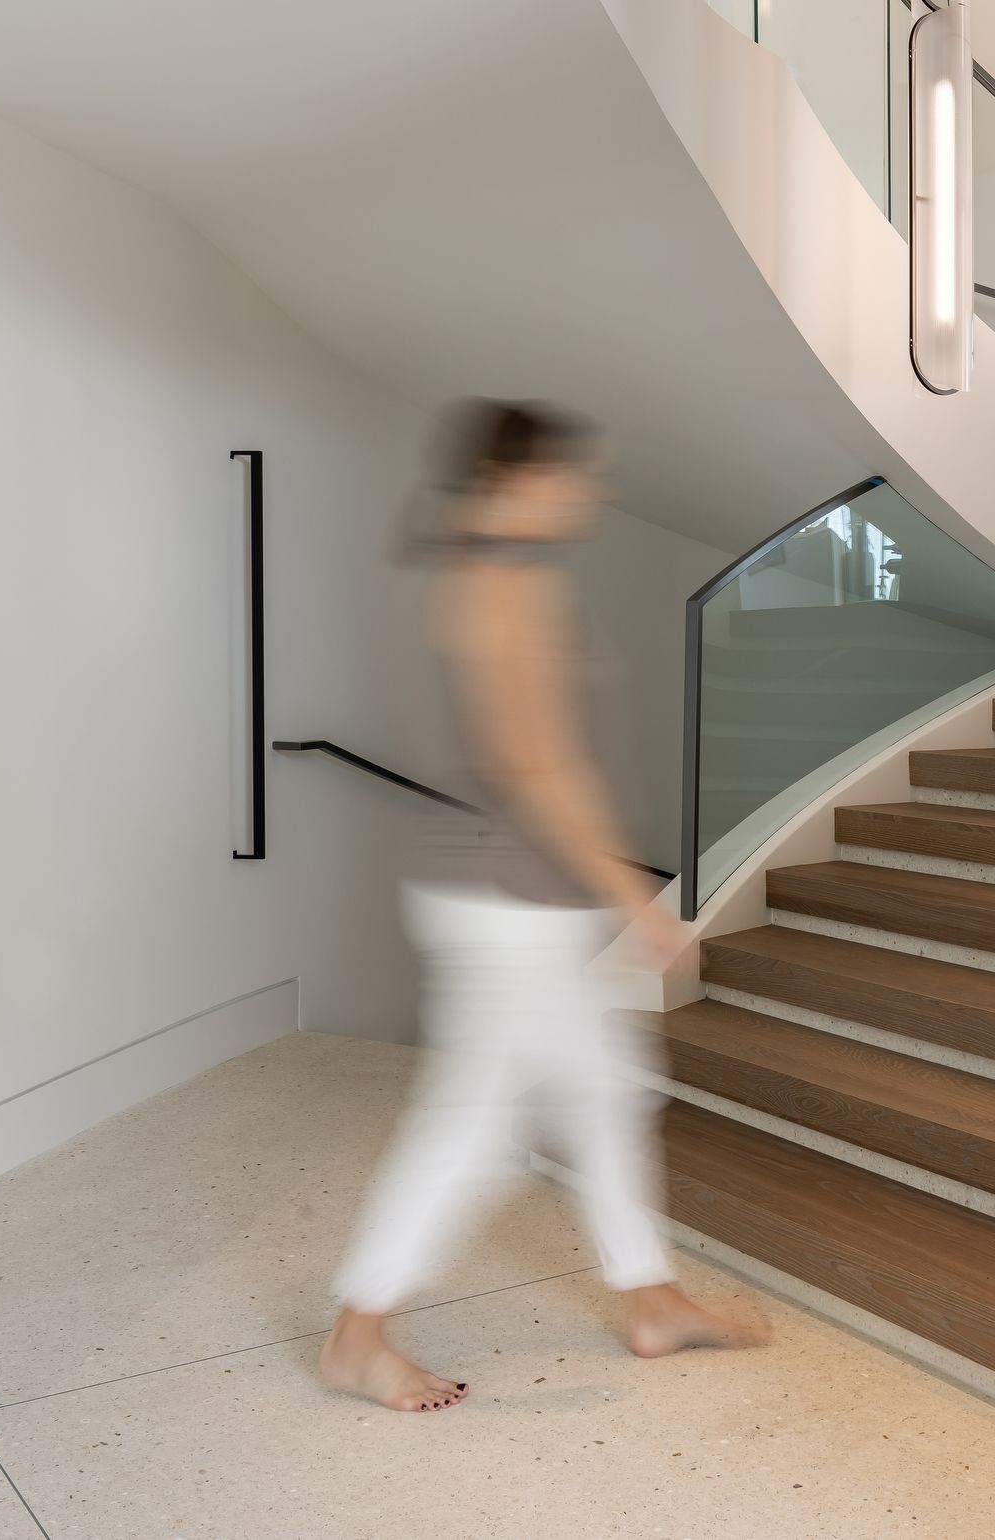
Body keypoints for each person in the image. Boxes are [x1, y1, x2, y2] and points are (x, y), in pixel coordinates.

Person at [320, 400, 757, 1413]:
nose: (588, 491)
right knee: (474, 1125)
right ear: (514, 479)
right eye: (571, 475)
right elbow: (534, 762)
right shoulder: (500, 588)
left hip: (515, 894)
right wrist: (632, 895)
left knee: (605, 1092)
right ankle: (357, 1332)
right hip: (506, 901)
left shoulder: (496, 576)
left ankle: (653, 1300)